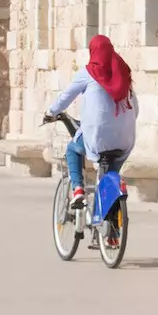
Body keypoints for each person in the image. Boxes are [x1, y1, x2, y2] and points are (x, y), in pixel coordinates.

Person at [45, 34, 139, 219]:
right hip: (125, 139)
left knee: (73, 148)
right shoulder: (123, 73)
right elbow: (135, 109)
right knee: (110, 175)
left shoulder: (87, 73)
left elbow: (65, 98)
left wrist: (51, 112)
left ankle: (78, 189)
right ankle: (109, 230)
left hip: (97, 136)